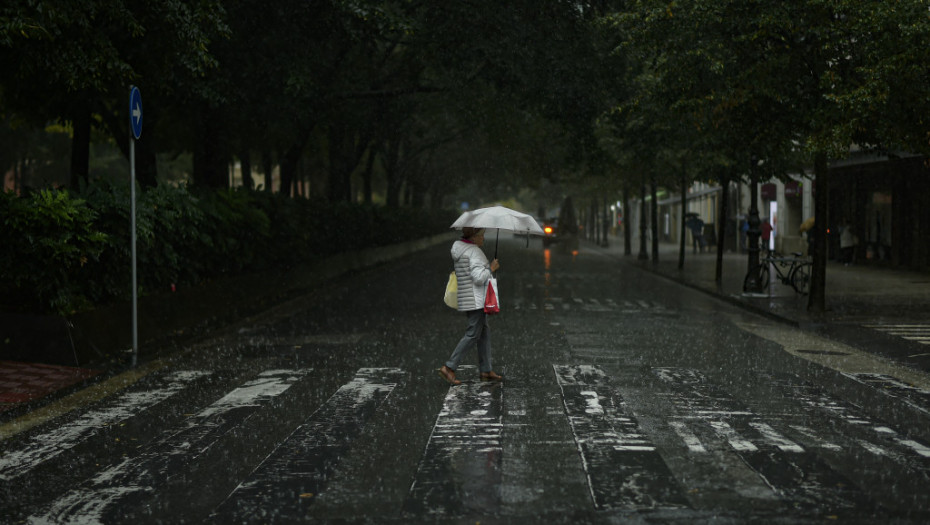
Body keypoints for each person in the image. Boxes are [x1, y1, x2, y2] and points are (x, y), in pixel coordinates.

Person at [438, 227, 503, 386]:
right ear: (473, 237)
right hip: (477, 298)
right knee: (473, 333)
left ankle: (486, 370)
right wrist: (491, 268)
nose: (483, 238)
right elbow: (478, 278)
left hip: (467, 297)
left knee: (484, 332)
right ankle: (449, 367)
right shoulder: (474, 252)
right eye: (481, 235)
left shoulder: (460, 248)